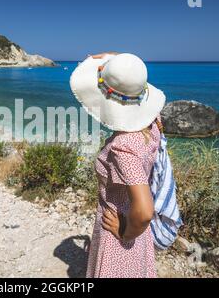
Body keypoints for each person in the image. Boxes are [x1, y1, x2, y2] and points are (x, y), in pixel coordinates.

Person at [70, 52, 166, 278]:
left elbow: (143, 211)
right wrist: (109, 59)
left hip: (119, 230)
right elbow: (129, 73)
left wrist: (124, 234)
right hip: (138, 232)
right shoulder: (153, 121)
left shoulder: (123, 147)